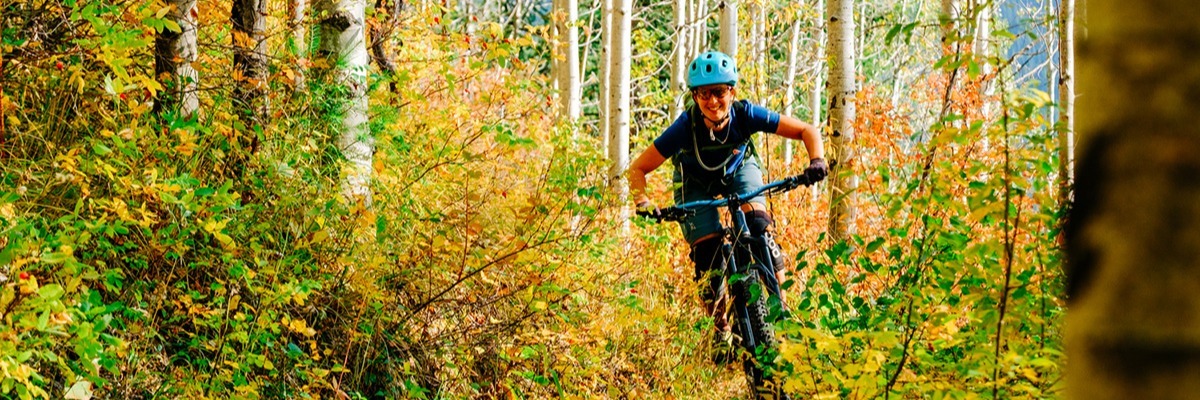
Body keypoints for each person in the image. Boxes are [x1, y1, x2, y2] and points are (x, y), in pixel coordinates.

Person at [628, 51, 828, 355]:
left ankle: (783, 319)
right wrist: (642, 200)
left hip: (738, 170)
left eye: (719, 92)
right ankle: (721, 330)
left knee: (760, 229)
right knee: (708, 259)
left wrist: (816, 160)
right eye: (704, 93)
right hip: (694, 182)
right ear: (694, 96)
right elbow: (638, 168)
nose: (712, 101)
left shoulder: (746, 114)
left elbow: (806, 131)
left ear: (731, 91)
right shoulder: (685, 127)